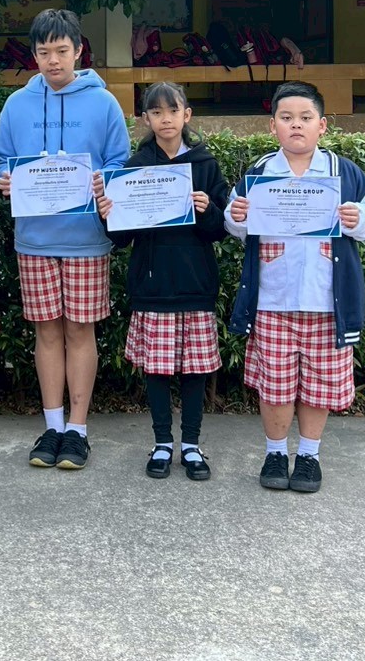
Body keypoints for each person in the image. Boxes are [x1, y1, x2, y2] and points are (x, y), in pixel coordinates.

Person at [225, 81, 365, 493]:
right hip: (272, 299)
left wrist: (358, 219)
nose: (295, 125)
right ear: (273, 126)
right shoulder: (259, 173)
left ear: (322, 125)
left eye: (305, 117)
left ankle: (310, 457)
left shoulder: (344, 173)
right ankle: (276, 453)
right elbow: (235, 224)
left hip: (326, 301)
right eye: (286, 118)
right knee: (275, 383)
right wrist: (237, 215)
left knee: (319, 383)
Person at [0, 8, 130, 470]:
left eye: (61, 50)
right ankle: (52, 426)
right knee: (47, 331)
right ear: (33, 55)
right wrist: (5, 178)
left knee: (79, 330)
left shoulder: (103, 103)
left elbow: (120, 160)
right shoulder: (17, 104)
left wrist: (104, 180)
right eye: (43, 52)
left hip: (86, 237)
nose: (53, 60)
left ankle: (78, 428)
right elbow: (2, 159)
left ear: (78, 51)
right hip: (34, 238)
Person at [95, 81, 229, 481]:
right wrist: (107, 213)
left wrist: (208, 209)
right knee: (156, 370)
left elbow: (221, 229)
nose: (165, 119)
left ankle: (191, 445)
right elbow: (121, 239)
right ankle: (162, 444)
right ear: (146, 119)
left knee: (194, 371)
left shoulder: (205, 164)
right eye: (156, 112)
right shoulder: (134, 167)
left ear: (187, 115)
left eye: (173, 110)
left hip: (195, 282)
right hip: (152, 286)